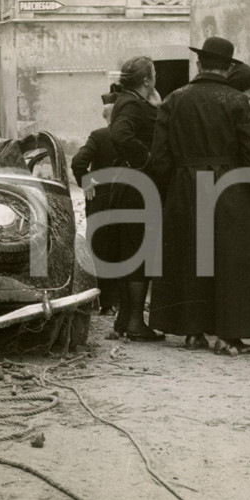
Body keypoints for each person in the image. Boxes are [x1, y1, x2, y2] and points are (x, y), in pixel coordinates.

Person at [148, 41, 250, 356]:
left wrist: (170, 189)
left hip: (185, 185)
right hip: (228, 187)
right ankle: (229, 336)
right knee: (231, 261)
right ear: (229, 67)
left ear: (199, 64)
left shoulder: (174, 99)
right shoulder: (234, 100)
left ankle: (192, 332)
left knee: (191, 257)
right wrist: (247, 186)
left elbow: (160, 157)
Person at [107, 55, 164, 343]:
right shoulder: (130, 103)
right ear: (146, 79)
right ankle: (135, 322)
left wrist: (156, 105)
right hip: (138, 187)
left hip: (130, 185)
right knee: (141, 253)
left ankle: (124, 320)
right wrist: (147, 159)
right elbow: (120, 135)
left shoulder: (131, 100)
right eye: (154, 73)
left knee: (132, 251)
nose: (157, 76)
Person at [71, 92, 120, 315]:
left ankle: (106, 304)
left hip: (101, 201)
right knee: (127, 249)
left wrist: (86, 180)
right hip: (130, 198)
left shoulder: (99, 136)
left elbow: (78, 161)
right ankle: (124, 303)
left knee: (102, 250)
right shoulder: (135, 135)